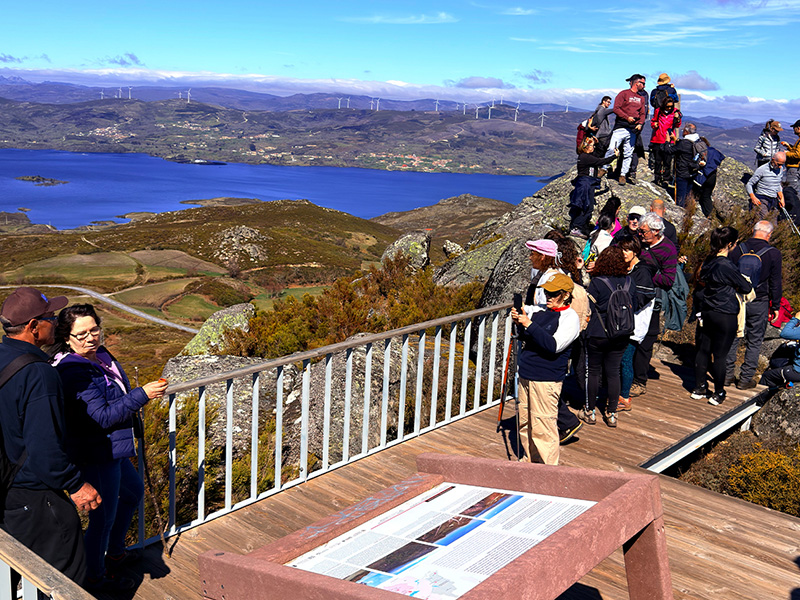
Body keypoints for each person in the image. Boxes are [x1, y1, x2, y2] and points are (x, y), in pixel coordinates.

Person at [52, 304, 168, 591]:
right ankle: (95, 576)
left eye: (94, 330)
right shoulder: (72, 371)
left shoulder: (100, 355)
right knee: (103, 519)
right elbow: (102, 416)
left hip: (111, 449)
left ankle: (115, 553)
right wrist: (142, 394)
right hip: (95, 453)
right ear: (67, 338)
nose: (90, 338)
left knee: (133, 492)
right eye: (81, 334)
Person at [0, 287, 101, 588]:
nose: (56, 323)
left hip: (7, 492)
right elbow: (45, 450)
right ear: (33, 327)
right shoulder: (39, 374)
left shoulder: (3, 357)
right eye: (50, 317)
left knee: (13, 576)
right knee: (62, 579)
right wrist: (76, 485)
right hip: (35, 495)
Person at [510, 273, 580, 464]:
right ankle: (529, 461)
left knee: (543, 428)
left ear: (566, 295)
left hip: (546, 379)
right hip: (526, 374)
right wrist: (520, 323)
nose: (548, 296)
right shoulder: (540, 310)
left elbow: (553, 345)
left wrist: (528, 323)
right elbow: (527, 336)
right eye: (547, 292)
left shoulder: (570, 318)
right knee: (526, 423)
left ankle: (548, 471)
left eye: (554, 293)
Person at [691, 227, 752, 405]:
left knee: (703, 350)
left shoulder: (708, 262)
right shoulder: (727, 265)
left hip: (708, 310)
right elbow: (746, 287)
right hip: (725, 313)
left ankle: (699, 387)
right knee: (720, 355)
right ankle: (718, 392)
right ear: (730, 244)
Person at [582, 246, 637, 427]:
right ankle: (612, 413)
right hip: (621, 334)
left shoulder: (598, 282)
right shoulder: (629, 282)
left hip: (598, 332)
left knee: (593, 371)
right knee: (614, 372)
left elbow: (588, 307)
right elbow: (635, 305)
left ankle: (590, 411)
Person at [724, 221, 782, 389]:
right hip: (759, 300)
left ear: (752, 230)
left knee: (733, 336)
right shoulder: (773, 253)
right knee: (754, 341)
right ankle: (745, 379)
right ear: (769, 235)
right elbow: (775, 282)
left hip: (737, 298)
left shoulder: (738, 248)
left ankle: (727, 375)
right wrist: (776, 305)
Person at [630, 212, 678, 397]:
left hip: (652, 301)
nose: (640, 235)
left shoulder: (668, 249)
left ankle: (639, 381)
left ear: (656, 231)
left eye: (644, 232)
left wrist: (644, 273)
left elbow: (668, 280)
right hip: (631, 296)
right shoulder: (639, 242)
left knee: (646, 341)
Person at [617, 234, 656, 412]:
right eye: (622, 249)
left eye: (627, 249)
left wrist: (620, 302)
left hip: (634, 324)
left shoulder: (643, 272)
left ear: (635, 251)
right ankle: (615, 393)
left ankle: (624, 397)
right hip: (620, 322)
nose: (624, 253)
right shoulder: (625, 268)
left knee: (626, 360)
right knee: (617, 360)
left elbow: (642, 298)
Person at [568, 136, 618, 238]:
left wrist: (598, 143)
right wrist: (614, 156)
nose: (593, 147)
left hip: (587, 184)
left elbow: (598, 154)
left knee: (586, 206)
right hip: (585, 185)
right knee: (586, 207)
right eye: (591, 146)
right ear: (586, 147)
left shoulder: (586, 156)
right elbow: (601, 161)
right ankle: (576, 227)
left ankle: (579, 227)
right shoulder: (585, 157)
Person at [603, 74, 647, 185]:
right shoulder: (623, 94)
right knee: (612, 148)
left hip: (633, 129)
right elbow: (616, 108)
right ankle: (603, 168)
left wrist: (640, 123)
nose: (644, 86)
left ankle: (623, 175)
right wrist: (627, 117)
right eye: (643, 83)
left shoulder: (641, 98)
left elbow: (643, 113)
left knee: (628, 153)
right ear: (637, 83)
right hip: (621, 126)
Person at [666, 123, 706, 207]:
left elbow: (668, 150)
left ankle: (681, 211)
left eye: (684, 130)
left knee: (680, 196)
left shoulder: (684, 143)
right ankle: (688, 210)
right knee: (688, 194)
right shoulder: (697, 141)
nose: (683, 132)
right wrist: (676, 140)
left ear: (687, 132)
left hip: (682, 173)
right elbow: (684, 149)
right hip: (693, 172)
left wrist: (667, 141)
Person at [759, 312, 800, 389]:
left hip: (797, 372)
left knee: (766, 376)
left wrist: (796, 319)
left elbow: (784, 333)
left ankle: (762, 396)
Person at [649, 97, 682, 187]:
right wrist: (654, 124)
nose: (669, 108)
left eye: (671, 106)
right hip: (657, 138)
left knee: (667, 161)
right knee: (658, 161)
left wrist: (677, 118)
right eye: (667, 106)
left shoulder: (675, 112)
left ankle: (666, 179)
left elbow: (678, 125)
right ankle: (657, 178)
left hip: (669, 139)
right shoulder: (658, 111)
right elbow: (653, 121)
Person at [745, 151, 786, 218]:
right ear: (773, 160)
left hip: (773, 200)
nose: (780, 167)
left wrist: (782, 198)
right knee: (764, 219)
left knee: (773, 222)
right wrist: (753, 197)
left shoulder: (780, 169)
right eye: (778, 164)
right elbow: (749, 184)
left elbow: (777, 183)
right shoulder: (762, 169)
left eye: (782, 165)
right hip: (762, 198)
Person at [694, 137, 725, 218]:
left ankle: (704, 213)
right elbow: (721, 158)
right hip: (712, 176)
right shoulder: (714, 151)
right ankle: (710, 215)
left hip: (702, 176)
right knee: (707, 195)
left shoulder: (699, 151)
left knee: (700, 195)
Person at [780, 119, 800, 198]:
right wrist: (789, 146)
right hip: (796, 168)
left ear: (798, 128)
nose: (793, 130)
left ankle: (794, 204)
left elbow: (798, 155)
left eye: (794, 128)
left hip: (794, 168)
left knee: (792, 190)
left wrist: (786, 153)